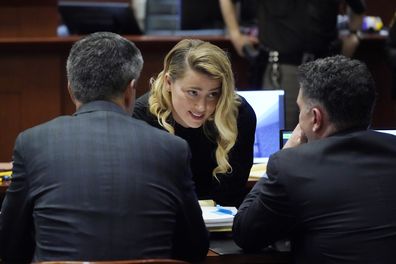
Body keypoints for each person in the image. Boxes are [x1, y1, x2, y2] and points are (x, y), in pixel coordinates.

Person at [0, 32, 209, 263]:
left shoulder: (31, 143)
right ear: (131, 90)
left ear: (71, 90)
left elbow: (9, 246)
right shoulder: (172, 149)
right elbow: (195, 248)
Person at [233, 55, 396, 263]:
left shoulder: (292, 166)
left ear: (316, 118)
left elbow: (246, 234)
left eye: (301, 109)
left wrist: (287, 151)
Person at [133, 39, 256, 206]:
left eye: (213, 94)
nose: (201, 107)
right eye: (193, 92)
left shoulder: (239, 115)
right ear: (169, 82)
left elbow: (231, 193)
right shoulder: (141, 117)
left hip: (223, 221)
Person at [219, 0, 366, 129]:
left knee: (325, 133)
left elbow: (358, 7)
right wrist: (234, 33)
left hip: (326, 68)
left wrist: (354, 34)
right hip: (282, 69)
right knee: (283, 136)